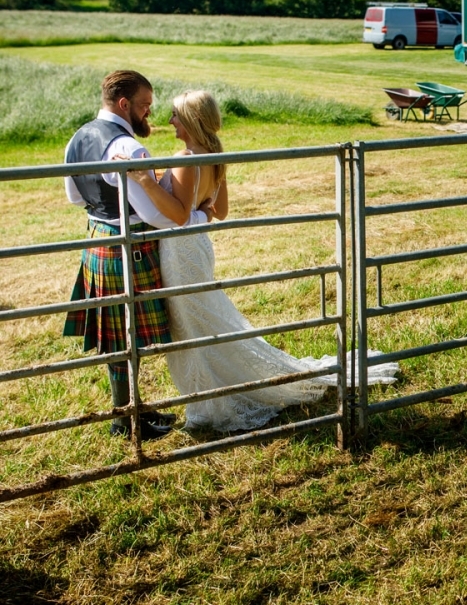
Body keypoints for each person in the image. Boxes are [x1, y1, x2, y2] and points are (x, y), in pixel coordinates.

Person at [128, 91, 399, 432]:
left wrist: (146, 184)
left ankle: (214, 403)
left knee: (191, 326)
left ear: (192, 120)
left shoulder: (186, 157)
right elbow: (220, 211)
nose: (170, 121)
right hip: (196, 247)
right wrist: (200, 209)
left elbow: (179, 215)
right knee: (202, 322)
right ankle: (220, 390)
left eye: (176, 116)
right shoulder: (214, 155)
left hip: (180, 253)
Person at [63, 71, 211, 440]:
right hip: (128, 244)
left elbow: (74, 197)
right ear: (124, 104)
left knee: (119, 334)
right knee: (124, 335)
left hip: (98, 236)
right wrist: (195, 216)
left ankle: (131, 410)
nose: (149, 115)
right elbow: (156, 215)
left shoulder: (77, 137)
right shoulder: (129, 149)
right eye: (145, 106)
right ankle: (126, 419)